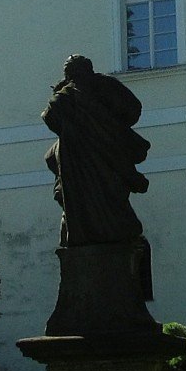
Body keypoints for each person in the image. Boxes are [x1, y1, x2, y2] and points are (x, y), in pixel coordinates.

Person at [40, 54, 149, 247]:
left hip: (81, 158)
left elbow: (50, 118)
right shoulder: (102, 86)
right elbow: (133, 109)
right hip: (100, 155)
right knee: (111, 197)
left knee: (91, 199)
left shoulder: (64, 97)